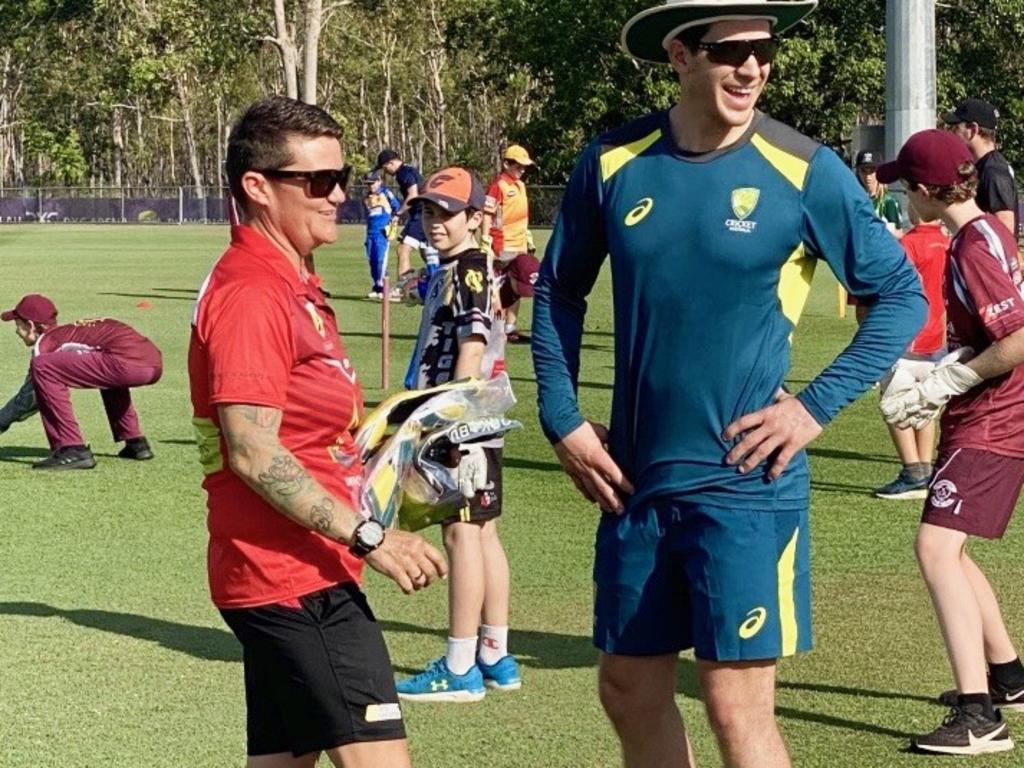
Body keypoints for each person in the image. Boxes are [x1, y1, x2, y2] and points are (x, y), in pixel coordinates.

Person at [531, 2, 927, 766]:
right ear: (681, 55)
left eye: (764, 50)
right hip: (634, 480)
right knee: (626, 687)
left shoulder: (804, 169)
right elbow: (557, 291)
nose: (752, 68)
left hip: (747, 483)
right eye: (730, 50)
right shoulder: (614, 161)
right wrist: (562, 416)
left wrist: (812, 409)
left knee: (734, 706)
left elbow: (901, 295)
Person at [189, 95, 447, 768]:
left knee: (281, 759)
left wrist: (394, 445)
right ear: (258, 187)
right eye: (319, 182)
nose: (341, 195)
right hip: (291, 575)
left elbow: (306, 425)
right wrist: (372, 537)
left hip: (298, 567)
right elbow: (250, 448)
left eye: (343, 177)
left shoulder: (291, 280)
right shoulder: (252, 292)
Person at [878, 129, 1024, 756]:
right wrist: (947, 366)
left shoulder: (969, 246)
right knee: (954, 551)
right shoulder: (988, 228)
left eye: (907, 185)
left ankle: (979, 715)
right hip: (990, 413)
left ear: (927, 190)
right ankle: (1009, 679)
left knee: (936, 548)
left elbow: (1018, 338)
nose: (905, 196)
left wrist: (953, 375)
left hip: (996, 418)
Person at [394, 167, 520, 702]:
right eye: (429, 212)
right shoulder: (462, 266)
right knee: (483, 532)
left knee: (462, 534)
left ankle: (461, 663)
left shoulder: (468, 268)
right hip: (477, 420)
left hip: (460, 423)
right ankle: (495, 654)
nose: (436, 222)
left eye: (447, 213)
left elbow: (471, 345)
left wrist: (448, 423)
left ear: (473, 216)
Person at [1, 293, 161, 470]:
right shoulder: (70, 332)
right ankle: (136, 443)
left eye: (18, 325)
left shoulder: (46, 343)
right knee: (103, 367)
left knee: (42, 366)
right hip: (152, 361)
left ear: (31, 325)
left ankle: (72, 448)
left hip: (129, 365)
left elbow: (29, 399)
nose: (17, 331)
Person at [873, 206, 950, 500]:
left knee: (895, 406)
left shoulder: (907, 245)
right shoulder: (948, 244)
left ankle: (912, 470)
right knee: (925, 407)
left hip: (907, 338)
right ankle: (925, 468)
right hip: (938, 340)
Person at [482, 145, 538, 343]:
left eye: (525, 167)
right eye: (519, 166)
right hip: (502, 246)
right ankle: (494, 326)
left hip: (520, 244)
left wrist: (528, 236)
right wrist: (485, 240)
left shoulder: (520, 186)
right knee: (498, 288)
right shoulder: (498, 185)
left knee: (517, 287)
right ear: (507, 164)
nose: (522, 170)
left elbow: (521, 216)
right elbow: (487, 215)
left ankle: (510, 328)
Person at [943, 98, 1019, 237]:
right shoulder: (984, 167)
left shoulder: (994, 172)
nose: (951, 133)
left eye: (955, 128)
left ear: (973, 130)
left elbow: (1005, 230)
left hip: (990, 258)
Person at [374, 148, 439, 297]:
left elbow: (413, 195)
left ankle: (403, 288)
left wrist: (397, 213)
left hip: (420, 213)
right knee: (426, 252)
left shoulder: (402, 173)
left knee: (403, 249)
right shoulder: (409, 169)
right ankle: (434, 279)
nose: (386, 171)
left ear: (391, 163)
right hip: (425, 212)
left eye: (385, 167)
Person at [362, 170, 401, 300]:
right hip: (370, 234)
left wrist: (394, 220)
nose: (370, 186)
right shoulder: (367, 197)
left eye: (373, 183)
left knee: (380, 261)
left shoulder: (386, 193)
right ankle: (377, 287)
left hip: (382, 233)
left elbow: (397, 207)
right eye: (368, 184)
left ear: (379, 181)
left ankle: (385, 288)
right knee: (372, 261)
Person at [855, 149, 905, 236]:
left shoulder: (888, 201)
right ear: (858, 172)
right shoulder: (855, 200)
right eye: (863, 171)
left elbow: (900, 234)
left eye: (872, 171)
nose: (868, 176)